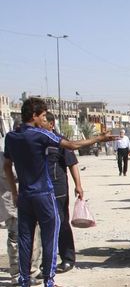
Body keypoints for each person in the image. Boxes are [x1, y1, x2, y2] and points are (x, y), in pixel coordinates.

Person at [3, 97, 115, 287]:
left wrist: (14, 192)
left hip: (25, 196)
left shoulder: (11, 137)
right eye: (43, 115)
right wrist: (98, 139)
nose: (45, 119)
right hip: (44, 194)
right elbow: (71, 145)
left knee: (25, 239)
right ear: (35, 115)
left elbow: (6, 166)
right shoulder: (42, 134)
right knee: (49, 238)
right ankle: (49, 285)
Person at [1, 119, 43, 285]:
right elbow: (10, 172)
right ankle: (17, 273)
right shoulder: (7, 152)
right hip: (12, 201)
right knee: (15, 237)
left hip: (29, 197)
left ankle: (33, 269)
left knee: (34, 235)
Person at [43, 112, 82, 273]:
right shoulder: (35, 141)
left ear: (51, 124)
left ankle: (67, 258)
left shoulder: (60, 142)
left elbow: (72, 163)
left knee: (61, 222)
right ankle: (43, 261)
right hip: (40, 190)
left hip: (58, 188)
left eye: (43, 121)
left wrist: (78, 185)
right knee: (43, 225)